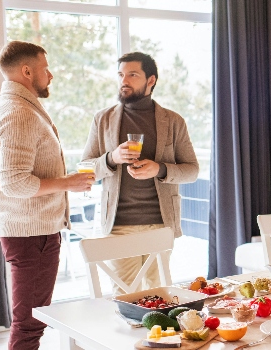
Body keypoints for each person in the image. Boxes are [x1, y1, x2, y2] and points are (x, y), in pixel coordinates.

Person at [0, 40, 94, 350]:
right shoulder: (19, 112)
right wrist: (67, 183)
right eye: (46, 69)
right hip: (31, 235)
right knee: (29, 326)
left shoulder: (19, 107)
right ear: (26, 71)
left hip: (34, 233)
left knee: (30, 323)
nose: (51, 75)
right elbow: (15, 183)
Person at [82, 52, 199, 295]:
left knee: (159, 297)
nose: (124, 80)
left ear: (151, 80)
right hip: (119, 224)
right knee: (124, 298)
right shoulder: (102, 119)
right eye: (121, 75)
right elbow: (85, 167)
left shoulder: (173, 121)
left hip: (160, 223)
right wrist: (112, 158)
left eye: (132, 75)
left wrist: (160, 169)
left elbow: (192, 171)